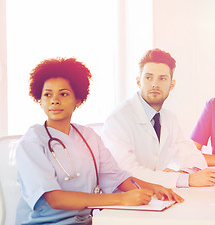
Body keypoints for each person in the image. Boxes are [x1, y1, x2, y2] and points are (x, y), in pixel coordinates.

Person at [16, 58, 183, 225]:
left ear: (78, 100)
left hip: (90, 221)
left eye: (63, 94)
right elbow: (55, 199)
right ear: (40, 99)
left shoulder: (88, 136)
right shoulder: (32, 142)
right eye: (47, 94)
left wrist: (155, 189)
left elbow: (117, 178)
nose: (54, 100)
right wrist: (120, 199)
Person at [102, 48, 215, 188]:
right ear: (139, 82)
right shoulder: (118, 119)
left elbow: (192, 155)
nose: (155, 84)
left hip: (156, 197)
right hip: (124, 200)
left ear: (172, 85)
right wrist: (185, 180)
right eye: (148, 77)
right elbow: (127, 172)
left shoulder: (170, 119)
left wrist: (184, 173)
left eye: (162, 78)